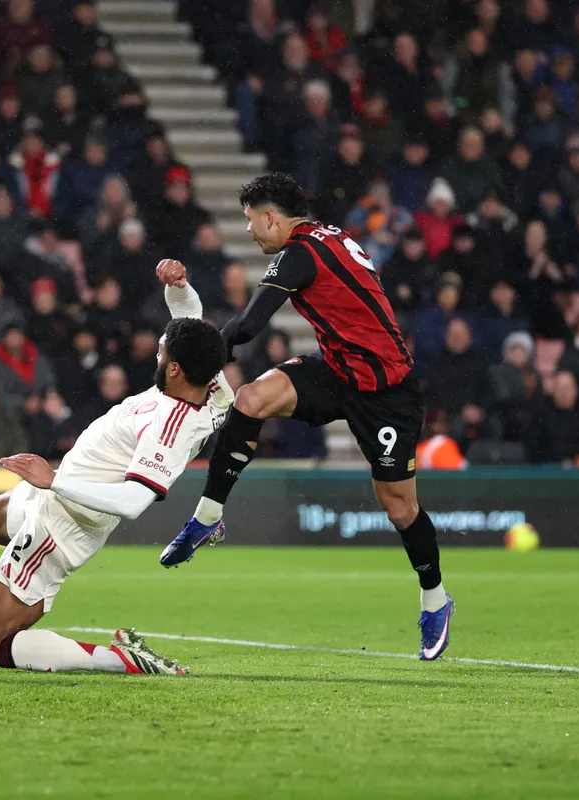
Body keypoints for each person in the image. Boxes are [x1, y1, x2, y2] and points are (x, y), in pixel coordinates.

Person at [0, 259, 230, 675]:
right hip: (55, 491)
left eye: (162, 351)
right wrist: (180, 287)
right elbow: (190, 319)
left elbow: (134, 501)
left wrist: (55, 481)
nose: (157, 352)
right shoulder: (205, 380)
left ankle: (121, 660)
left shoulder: (169, 428)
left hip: (63, 521)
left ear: (174, 368)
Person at [161, 173, 454, 662]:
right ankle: (207, 519)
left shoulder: (301, 251)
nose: (249, 230)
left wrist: (201, 353)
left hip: (386, 391)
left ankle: (435, 601)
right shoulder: (328, 236)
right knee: (251, 399)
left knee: (399, 507)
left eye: (251, 220)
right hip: (338, 371)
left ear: (271, 217)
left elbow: (249, 325)